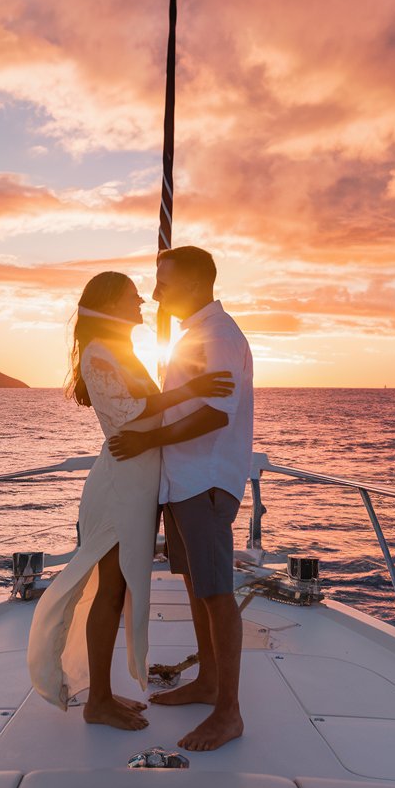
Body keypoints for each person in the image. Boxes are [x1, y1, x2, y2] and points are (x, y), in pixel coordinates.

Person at [27, 270, 233, 730]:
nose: (141, 301)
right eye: (131, 296)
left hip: (139, 484)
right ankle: (97, 700)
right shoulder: (100, 353)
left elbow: (143, 410)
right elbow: (130, 414)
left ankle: (102, 694)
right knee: (110, 590)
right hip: (120, 485)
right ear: (109, 305)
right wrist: (194, 389)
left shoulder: (120, 351)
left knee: (117, 590)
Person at [109, 246, 254, 751]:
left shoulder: (216, 336)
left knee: (216, 593)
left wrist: (147, 440)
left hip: (205, 482)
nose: (155, 294)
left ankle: (229, 712)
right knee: (196, 586)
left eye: (163, 284)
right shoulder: (198, 335)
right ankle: (209, 681)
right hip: (184, 482)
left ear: (193, 283)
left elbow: (217, 413)